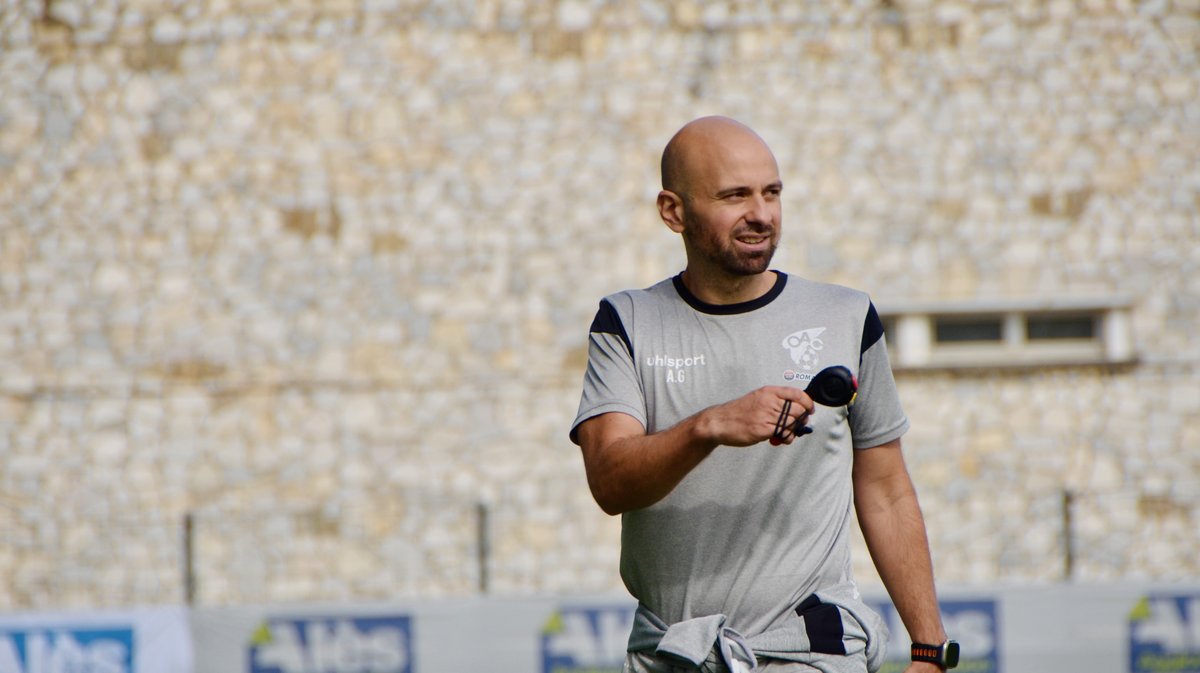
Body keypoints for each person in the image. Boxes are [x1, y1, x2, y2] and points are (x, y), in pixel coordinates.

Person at [569, 116, 953, 673]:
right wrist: (710, 427)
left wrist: (929, 649)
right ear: (673, 211)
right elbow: (610, 482)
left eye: (771, 193)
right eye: (734, 196)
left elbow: (886, 487)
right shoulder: (626, 321)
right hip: (674, 652)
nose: (761, 213)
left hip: (811, 647)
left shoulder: (845, 316)